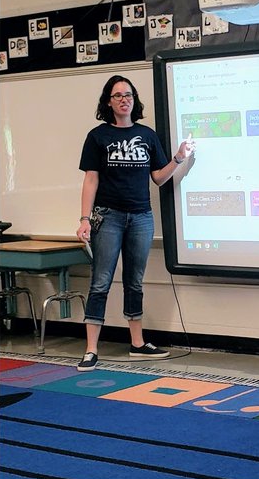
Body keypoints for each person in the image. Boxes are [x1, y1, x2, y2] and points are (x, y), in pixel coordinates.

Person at [75, 75, 194, 371]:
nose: (124, 99)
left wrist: (180, 158)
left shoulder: (147, 134)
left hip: (141, 217)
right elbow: (91, 179)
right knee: (101, 281)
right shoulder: (98, 136)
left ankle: (137, 344)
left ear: (134, 99)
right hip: (108, 216)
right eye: (117, 95)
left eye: (128, 94)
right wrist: (84, 219)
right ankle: (91, 349)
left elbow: (158, 177)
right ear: (108, 102)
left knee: (134, 281)